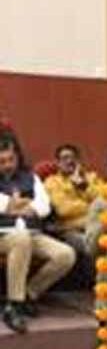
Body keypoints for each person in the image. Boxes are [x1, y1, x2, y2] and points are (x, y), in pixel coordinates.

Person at [0, 126, 76, 333]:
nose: (7, 165)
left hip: (32, 234)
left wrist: (25, 206)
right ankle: (14, 305)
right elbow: (3, 204)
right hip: (3, 235)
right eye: (2, 162)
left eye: (11, 160)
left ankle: (28, 294)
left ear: (18, 157)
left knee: (65, 254)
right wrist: (12, 204)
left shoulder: (30, 177)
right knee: (20, 239)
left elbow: (44, 206)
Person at [43, 143, 103, 252]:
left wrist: (84, 187)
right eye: (65, 158)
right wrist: (92, 207)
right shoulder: (52, 182)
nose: (70, 161)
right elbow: (64, 209)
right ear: (58, 163)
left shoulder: (92, 177)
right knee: (93, 244)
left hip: (97, 226)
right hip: (71, 230)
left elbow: (105, 200)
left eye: (73, 157)